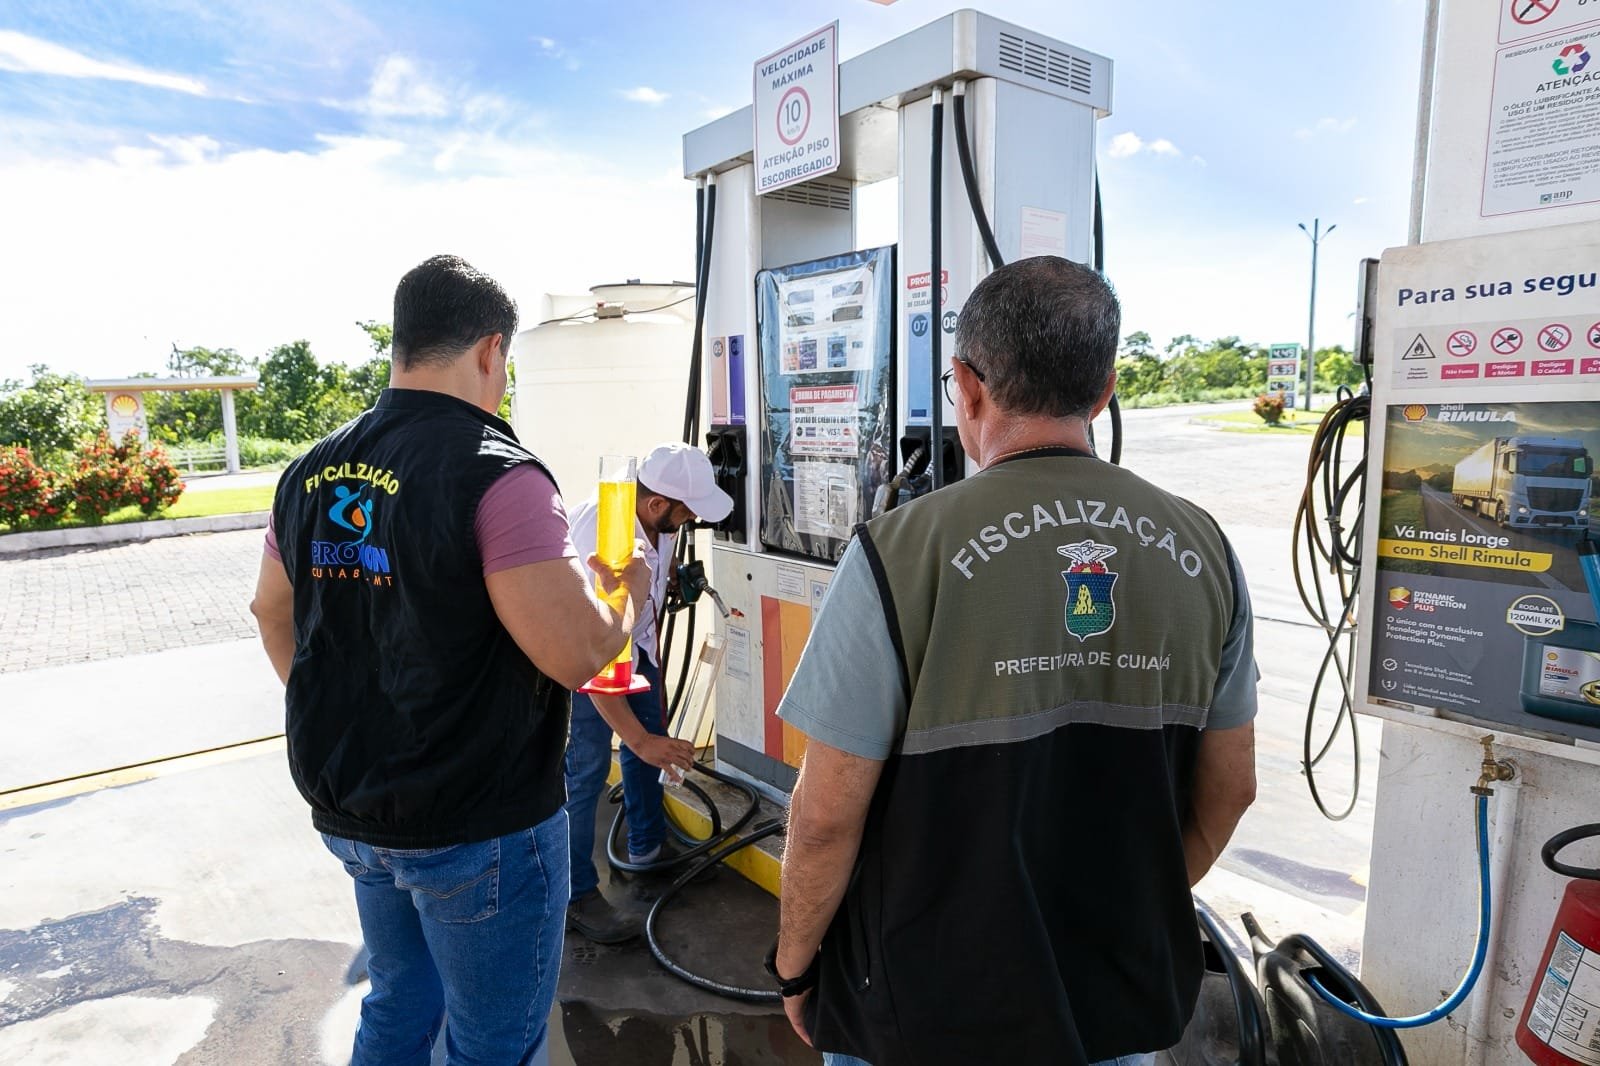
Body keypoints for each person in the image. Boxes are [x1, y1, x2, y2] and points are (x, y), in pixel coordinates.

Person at [769, 256, 1259, 1066]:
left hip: (922, 1005)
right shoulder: (1205, 547)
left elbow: (824, 818)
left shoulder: (898, 551)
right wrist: (1133, 912)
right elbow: (1232, 788)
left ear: (965, 386)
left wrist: (793, 968)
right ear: (1104, 392)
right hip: (1118, 1002)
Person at [249, 254, 649, 1066]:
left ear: (402, 344)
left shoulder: (308, 471)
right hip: (478, 822)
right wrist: (627, 592)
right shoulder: (496, 472)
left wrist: (352, 716)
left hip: (355, 809)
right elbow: (576, 651)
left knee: (400, 1004)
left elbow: (270, 611)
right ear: (490, 351)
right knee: (494, 1044)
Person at [563, 442, 733, 944]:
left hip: (633, 647)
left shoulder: (646, 517)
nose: (690, 522)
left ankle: (647, 850)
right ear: (657, 504)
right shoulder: (607, 535)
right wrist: (637, 739)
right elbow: (594, 656)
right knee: (587, 769)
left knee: (650, 745)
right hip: (590, 664)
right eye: (686, 513)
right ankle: (575, 896)